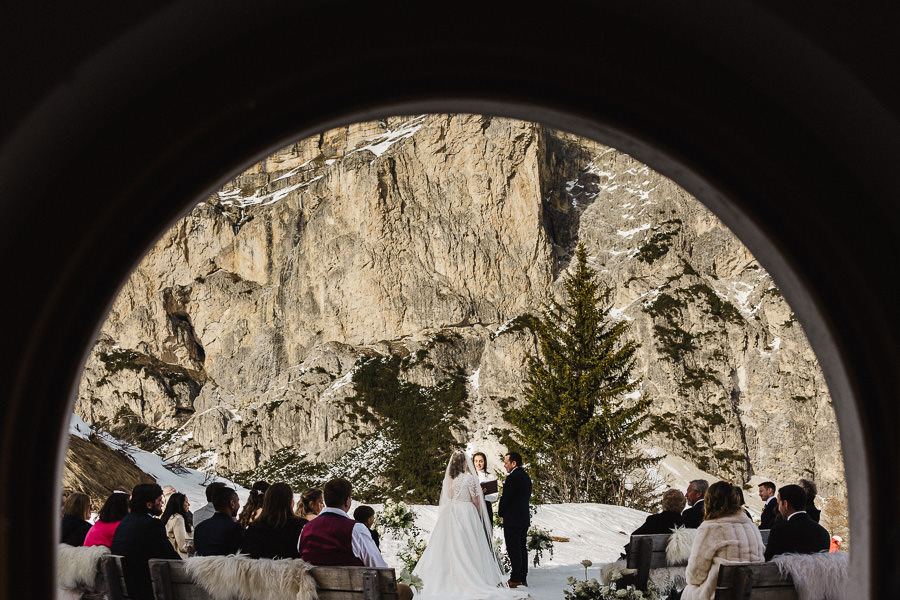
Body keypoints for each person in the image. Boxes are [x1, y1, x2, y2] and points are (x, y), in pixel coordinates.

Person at [414, 451, 524, 600]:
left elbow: (446, 498)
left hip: (450, 515)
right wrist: (478, 516)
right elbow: (476, 501)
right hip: (466, 513)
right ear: (464, 463)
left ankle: (445, 577)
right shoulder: (469, 479)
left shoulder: (448, 480)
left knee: (448, 546)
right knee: (469, 545)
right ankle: (472, 576)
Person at [299, 478, 413, 600]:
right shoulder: (356, 529)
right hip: (355, 595)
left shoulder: (306, 529)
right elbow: (380, 570)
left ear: (326, 501)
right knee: (406, 591)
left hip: (318, 595)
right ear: (347, 501)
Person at [681, 482, 765, 600]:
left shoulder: (710, 528)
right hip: (751, 594)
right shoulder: (751, 527)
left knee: (687, 591)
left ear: (709, 501)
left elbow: (695, 575)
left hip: (718, 595)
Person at [110, 483, 181, 600]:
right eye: (159, 500)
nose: (162, 503)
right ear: (149, 505)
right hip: (147, 591)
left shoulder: (125, 522)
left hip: (127, 591)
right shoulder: (152, 525)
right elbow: (171, 558)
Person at [764, 484, 830, 561]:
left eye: (779, 504)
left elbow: (768, 561)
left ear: (785, 504)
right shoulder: (823, 533)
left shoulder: (780, 531)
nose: (779, 509)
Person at [243, 482, 306, 559]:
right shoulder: (301, 526)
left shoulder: (254, 528)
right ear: (289, 501)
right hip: (292, 570)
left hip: (261, 570)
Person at [498, 451, 532, 588]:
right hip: (523, 518)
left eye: (506, 462)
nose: (504, 465)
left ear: (514, 463)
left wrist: (501, 512)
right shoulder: (525, 476)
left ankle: (515, 578)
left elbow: (506, 498)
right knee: (522, 548)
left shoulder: (513, 477)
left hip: (513, 519)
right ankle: (523, 577)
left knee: (513, 549)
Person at [193, 486, 243, 556]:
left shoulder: (200, 528)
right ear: (232, 504)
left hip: (202, 566)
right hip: (226, 566)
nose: (239, 505)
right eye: (237, 501)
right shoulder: (235, 529)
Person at [161, 492, 193, 558]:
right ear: (180, 504)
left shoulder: (169, 518)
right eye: (186, 502)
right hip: (181, 559)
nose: (188, 504)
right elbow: (182, 546)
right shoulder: (178, 519)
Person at [473, 451, 499, 525]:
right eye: (476, 461)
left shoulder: (490, 476)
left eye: (480, 461)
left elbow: (495, 496)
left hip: (486, 507)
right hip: (473, 508)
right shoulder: (470, 476)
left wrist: (482, 495)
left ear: (484, 462)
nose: (478, 464)